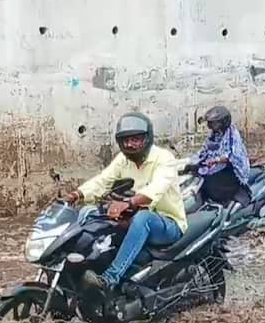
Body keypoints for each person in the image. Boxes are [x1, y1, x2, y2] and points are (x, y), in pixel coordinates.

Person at [64, 112, 188, 291]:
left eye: (136, 139)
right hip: (132, 217)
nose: (130, 144)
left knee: (144, 217)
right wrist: (76, 195)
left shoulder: (164, 159)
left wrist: (129, 203)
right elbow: (102, 181)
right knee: (88, 212)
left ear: (147, 139)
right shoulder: (123, 160)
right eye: (126, 140)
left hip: (168, 223)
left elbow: (156, 188)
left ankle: (111, 277)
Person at [194, 105, 252, 207]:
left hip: (232, 170)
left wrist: (215, 160)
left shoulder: (232, 134)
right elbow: (205, 150)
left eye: (213, 122)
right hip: (217, 166)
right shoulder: (214, 134)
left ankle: (227, 204)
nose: (210, 125)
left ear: (223, 122)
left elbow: (231, 156)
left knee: (210, 184)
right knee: (199, 178)